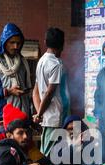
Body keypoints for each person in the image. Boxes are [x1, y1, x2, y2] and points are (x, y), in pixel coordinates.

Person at [0, 23, 32, 124]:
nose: (15, 46)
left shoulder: (23, 62)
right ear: (4, 42)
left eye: (18, 43)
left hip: (23, 117)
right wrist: (7, 91)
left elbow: (28, 91)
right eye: (12, 42)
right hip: (2, 118)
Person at [33, 27, 70, 157]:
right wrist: (40, 114)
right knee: (49, 155)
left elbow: (35, 91)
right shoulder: (56, 64)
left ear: (45, 42)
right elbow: (49, 93)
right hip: (54, 116)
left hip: (47, 117)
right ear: (62, 45)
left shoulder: (41, 61)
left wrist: (39, 113)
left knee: (48, 152)